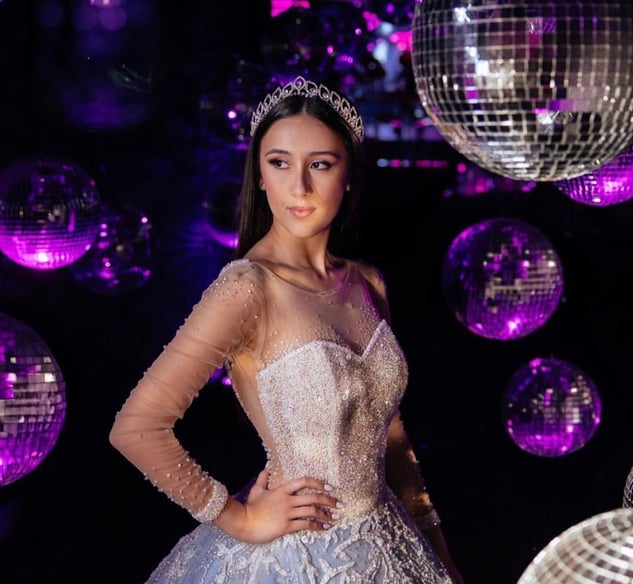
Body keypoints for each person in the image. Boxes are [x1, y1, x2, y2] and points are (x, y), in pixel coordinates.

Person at [109, 75, 465, 584]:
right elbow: (137, 427)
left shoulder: (368, 281)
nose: (299, 187)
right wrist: (240, 519)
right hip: (296, 561)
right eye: (279, 163)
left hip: (391, 544)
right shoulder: (247, 288)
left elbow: (390, 433)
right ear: (259, 175)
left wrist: (440, 553)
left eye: (320, 164)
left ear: (349, 174)